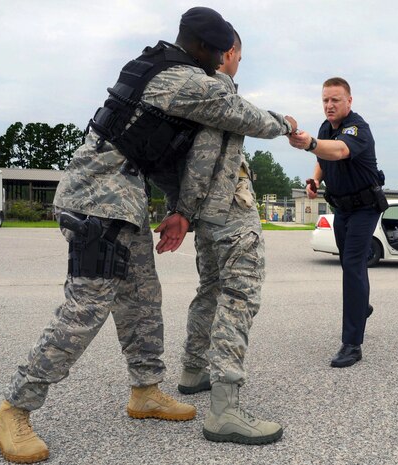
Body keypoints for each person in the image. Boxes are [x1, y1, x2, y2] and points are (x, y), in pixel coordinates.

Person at [0, 7, 297, 463]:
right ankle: (13, 410)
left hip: (122, 200)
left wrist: (178, 211)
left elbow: (174, 156)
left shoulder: (162, 67)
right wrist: (288, 124)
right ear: (208, 49)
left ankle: (145, 391)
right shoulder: (185, 81)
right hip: (96, 202)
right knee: (85, 309)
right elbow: (242, 115)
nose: (223, 62)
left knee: (141, 300)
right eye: (222, 54)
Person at [155, 30, 296, 445]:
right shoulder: (219, 92)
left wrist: (184, 209)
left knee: (211, 290)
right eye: (239, 55)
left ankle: (194, 370)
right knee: (239, 298)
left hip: (205, 216)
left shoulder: (190, 94)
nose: (238, 63)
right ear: (229, 52)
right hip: (232, 212)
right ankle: (224, 408)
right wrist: (286, 123)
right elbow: (207, 155)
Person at [288, 77, 387, 368]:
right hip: (342, 208)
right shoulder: (324, 127)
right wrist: (315, 179)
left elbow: (340, 150)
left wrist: (311, 144)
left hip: (365, 208)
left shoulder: (358, 128)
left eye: (335, 100)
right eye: (325, 100)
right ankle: (362, 306)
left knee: (352, 268)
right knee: (349, 264)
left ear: (349, 101)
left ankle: (352, 345)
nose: (329, 105)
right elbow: (323, 154)